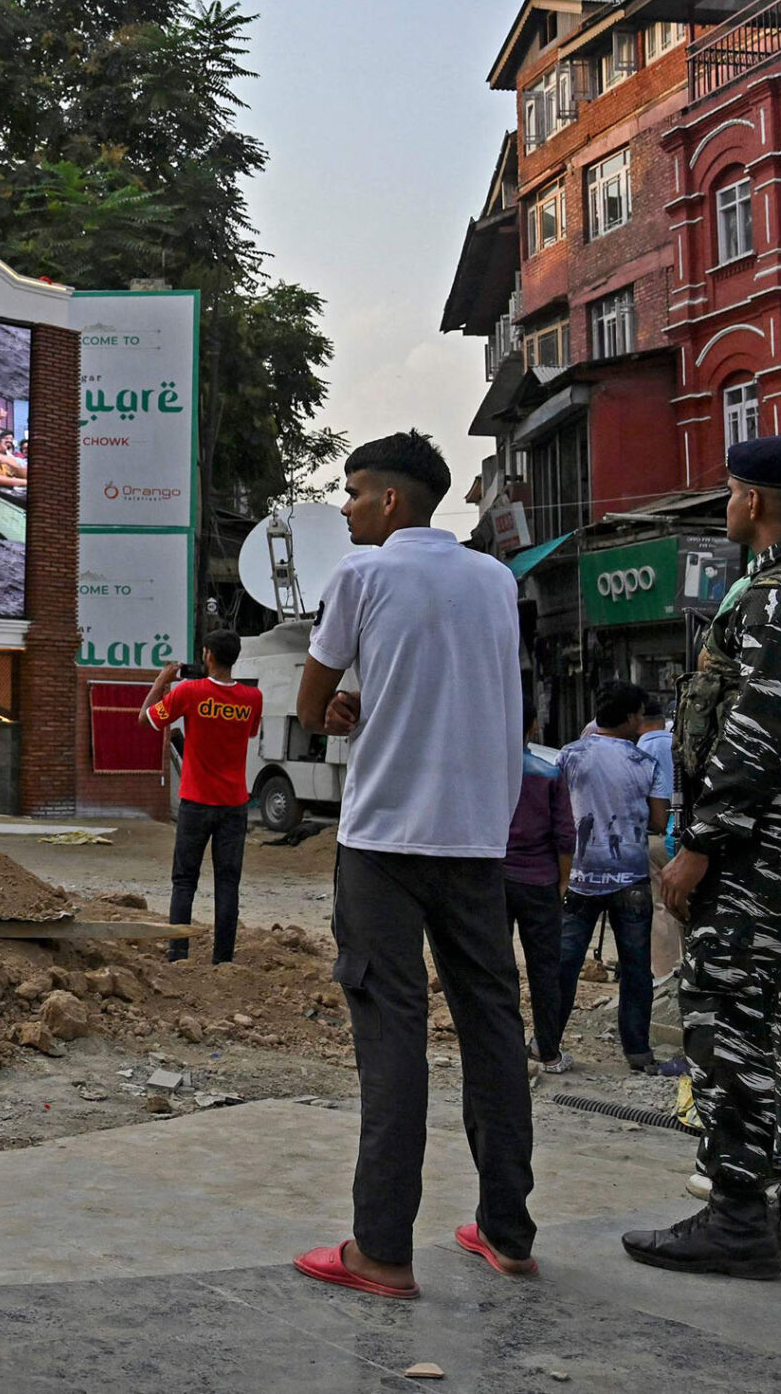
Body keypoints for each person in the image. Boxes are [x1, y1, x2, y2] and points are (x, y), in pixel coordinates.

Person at [625, 436, 781, 1282]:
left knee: (728, 1016)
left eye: (733, 491)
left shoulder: (776, 600)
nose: (727, 504)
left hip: (762, 837)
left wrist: (698, 844)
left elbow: (760, 731)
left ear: (758, 501)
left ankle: (738, 1213)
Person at [291, 431, 534, 1299]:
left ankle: (382, 1249)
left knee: (391, 1031)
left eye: (355, 491)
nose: (348, 505)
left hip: (385, 841)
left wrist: (349, 706)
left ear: (391, 501)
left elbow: (312, 703)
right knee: (491, 1027)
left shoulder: (361, 577)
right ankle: (506, 1231)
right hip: (477, 838)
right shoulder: (496, 579)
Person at [554, 681, 673, 1073]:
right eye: (639, 715)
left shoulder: (569, 757)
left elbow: (555, 813)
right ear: (630, 718)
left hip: (580, 878)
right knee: (636, 968)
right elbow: (659, 820)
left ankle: (546, 1041)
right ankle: (638, 1052)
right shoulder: (646, 764)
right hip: (631, 878)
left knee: (565, 963)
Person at [138, 634, 262, 963]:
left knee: (184, 881)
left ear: (207, 655)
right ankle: (223, 960)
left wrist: (161, 681)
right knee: (227, 883)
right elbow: (250, 733)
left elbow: (146, 718)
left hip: (196, 801)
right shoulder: (253, 697)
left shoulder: (189, 692)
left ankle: (178, 954)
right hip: (234, 804)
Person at [503, 702, 575, 1072]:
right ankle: (548, 1051)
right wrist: (562, 882)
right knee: (544, 969)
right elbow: (566, 835)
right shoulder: (548, 773)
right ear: (532, 727)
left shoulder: (485, 774)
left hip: (494, 883)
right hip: (540, 882)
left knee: (498, 967)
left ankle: (505, 1048)